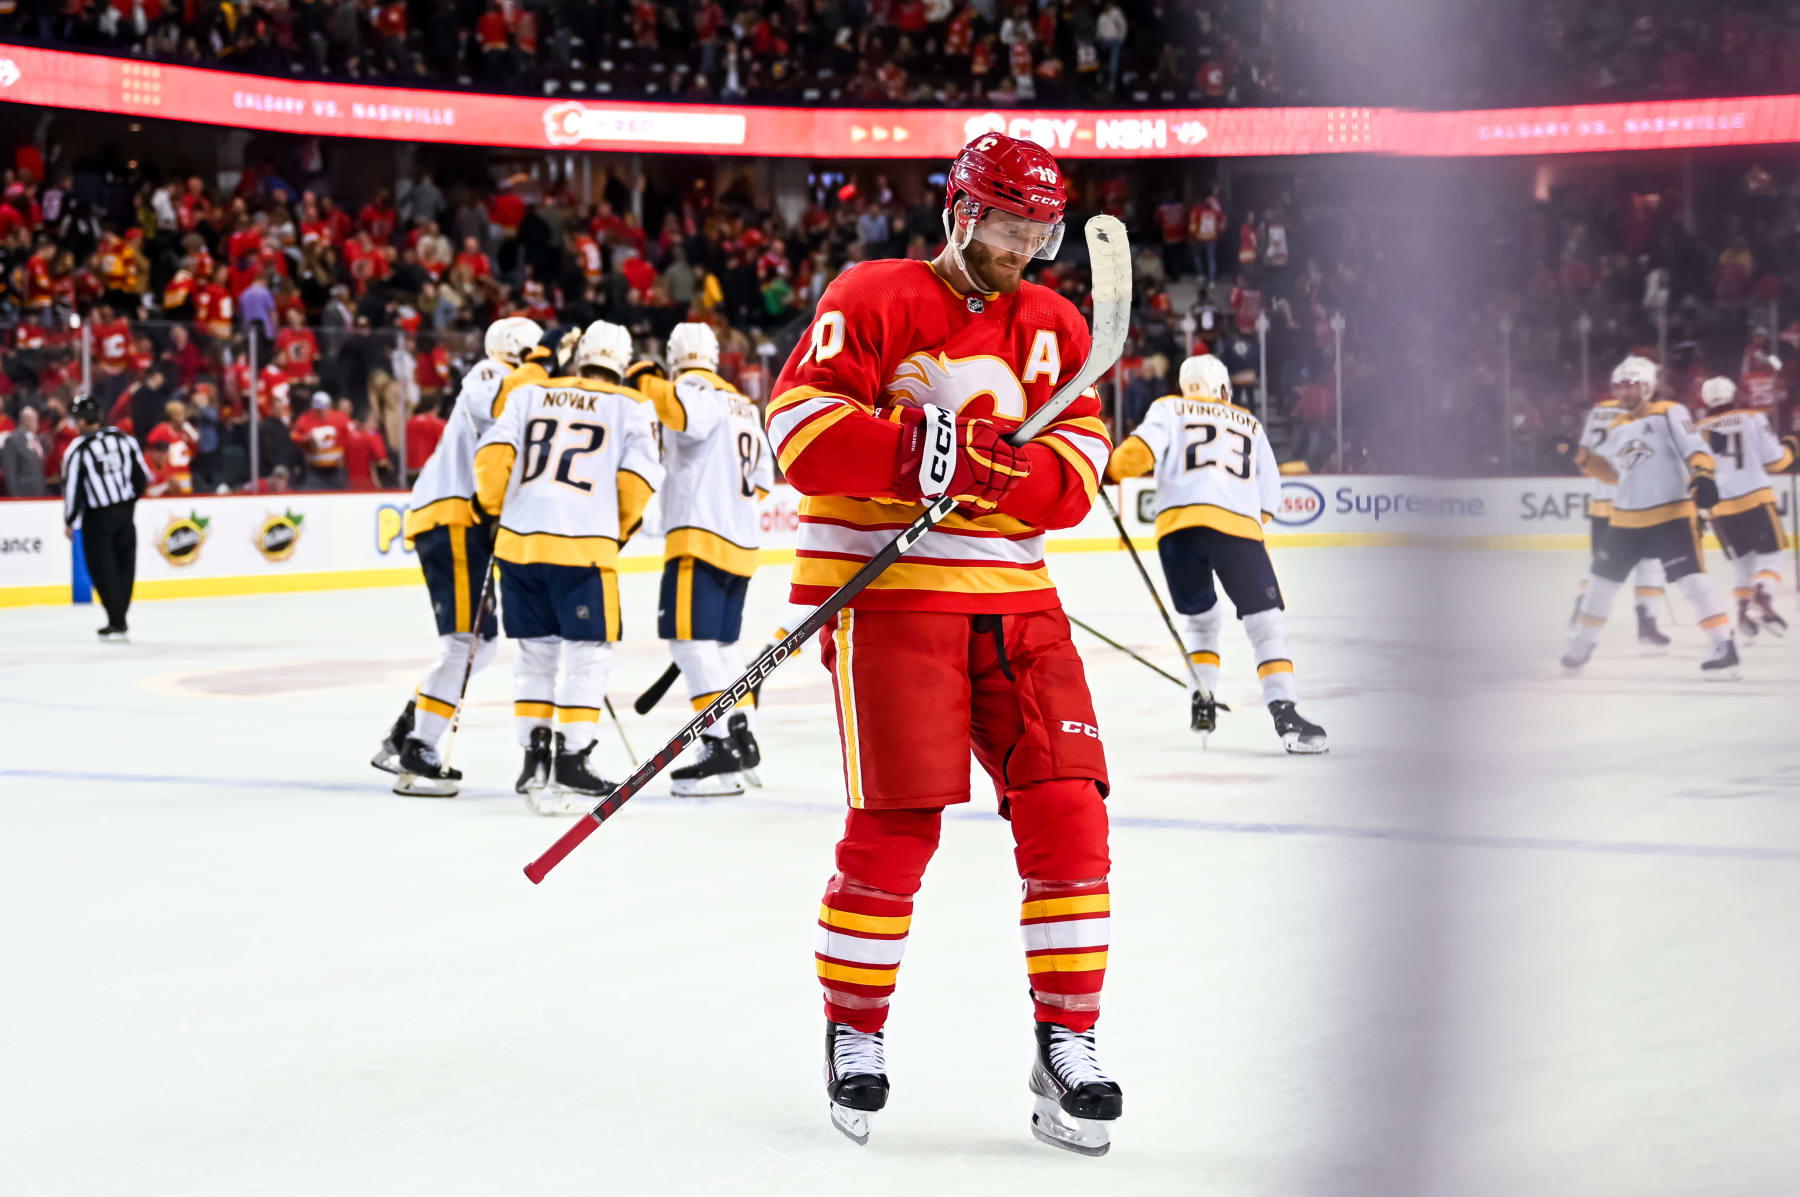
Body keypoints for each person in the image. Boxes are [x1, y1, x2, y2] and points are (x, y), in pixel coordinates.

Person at [765, 132, 1122, 1154]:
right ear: (962, 213)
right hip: (891, 603)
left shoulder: (1056, 323)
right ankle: (856, 1033)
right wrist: (931, 453)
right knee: (900, 826)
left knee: (1069, 815)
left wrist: (1015, 479)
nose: (1027, 248)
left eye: (1039, 231)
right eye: (1011, 226)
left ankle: (1069, 1045)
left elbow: (1078, 472)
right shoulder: (874, 293)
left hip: (1020, 608)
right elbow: (801, 434)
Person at [474, 320, 662, 813]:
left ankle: (533, 759)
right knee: (589, 654)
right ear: (622, 365)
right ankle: (573, 758)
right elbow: (640, 478)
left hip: (517, 547)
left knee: (534, 656)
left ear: (579, 358)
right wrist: (614, 529)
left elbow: (493, 455)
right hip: (582, 547)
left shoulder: (530, 393)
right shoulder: (631, 405)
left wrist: (497, 506)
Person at [1105, 353, 1327, 749]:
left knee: (1201, 622)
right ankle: (1286, 714)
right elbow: (1270, 494)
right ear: (1223, 387)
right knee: (1265, 624)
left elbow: (1131, 459)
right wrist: (1246, 527)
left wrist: (1105, 470)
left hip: (1178, 532)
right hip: (1238, 531)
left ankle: (1202, 697)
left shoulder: (1169, 408)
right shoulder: (1250, 422)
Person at [371, 316, 541, 795]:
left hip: (462, 525)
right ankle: (419, 751)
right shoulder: (489, 375)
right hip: (454, 521)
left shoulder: (513, 384)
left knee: (480, 644)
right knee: (463, 644)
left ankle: (409, 731)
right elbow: (499, 404)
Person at [628, 321, 775, 797]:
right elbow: (764, 478)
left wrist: (643, 378)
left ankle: (717, 746)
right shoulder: (743, 403)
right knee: (722, 648)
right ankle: (740, 733)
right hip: (741, 540)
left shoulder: (693, 389)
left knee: (689, 645)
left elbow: (683, 413)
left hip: (699, 536)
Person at [1563, 355, 1738, 677]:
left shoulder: (1670, 412)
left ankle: (1723, 643)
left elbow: (1695, 446)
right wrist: (1581, 457)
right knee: (1600, 583)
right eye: (1618, 385)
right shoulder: (1617, 425)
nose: (1622, 392)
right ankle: (1583, 643)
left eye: (1629, 385)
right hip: (1625, 520)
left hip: (1671, 515)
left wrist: (1702, 474)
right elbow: (1613, 473)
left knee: (1691, 580)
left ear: (1646, 386)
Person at [1570, 357, 1671, 651]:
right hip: (1637, 502)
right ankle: (1647, 625)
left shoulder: (1598, 411)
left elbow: (1584, 456)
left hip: (1603, 503)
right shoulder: (1646, 414)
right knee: (1650, 564)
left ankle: (1579, 619)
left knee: (1600, 568)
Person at [1696, 375, 1796, 637]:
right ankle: (1762, 599)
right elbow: (1776, 462)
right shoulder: (1753, 418)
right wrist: (1791, 446)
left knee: (1743, 563)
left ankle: (1743, 617)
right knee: (1772, 555)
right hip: (1755, 500)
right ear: (1735, 395)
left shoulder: (1694, 430)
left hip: (1720, 509)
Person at [61, 396, 149, 642]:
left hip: (97, 516)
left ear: (80, 420)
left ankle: (116, 619)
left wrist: (69, 520)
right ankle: (119, 618)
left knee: (102, 568)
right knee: (124, 566)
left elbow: (72, 488)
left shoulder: (78, 448)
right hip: (124, 512)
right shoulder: (124, 439)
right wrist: (129, 503)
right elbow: (141, 476)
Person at [1, 406, 46, 496]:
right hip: (23, 495)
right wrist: (15, 496)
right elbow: (9, 472)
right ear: (25, 420)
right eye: (33, 419)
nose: (36, 423)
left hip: (39, 494)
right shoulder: (12, 440)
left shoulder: (36, 438)